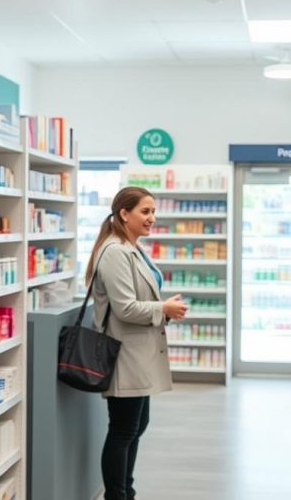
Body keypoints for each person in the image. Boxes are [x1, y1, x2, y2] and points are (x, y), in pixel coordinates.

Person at [86, 186, 189, 500]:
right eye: (145, 211)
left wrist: (163, 308)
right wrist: (164, 309)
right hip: (123, 354)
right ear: (124, 214)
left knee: (136, 425)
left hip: (138, 354)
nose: (152, 218)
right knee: (123, 430)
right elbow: (125, 307)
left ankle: (126, 491)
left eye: (153, 211)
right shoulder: (115, 251)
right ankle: (117, 496)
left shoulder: (132, 248)